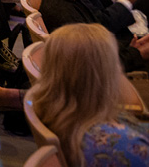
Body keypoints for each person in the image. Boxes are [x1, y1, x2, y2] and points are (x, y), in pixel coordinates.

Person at [31, 23, 149, 167]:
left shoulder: (58, 114)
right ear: (103, 75)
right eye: (114, 62)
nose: (120, 68)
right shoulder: (126, 147)